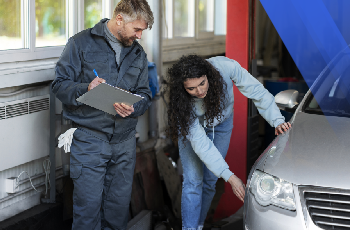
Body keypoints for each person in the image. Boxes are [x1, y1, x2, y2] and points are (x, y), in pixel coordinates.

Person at [51, 1, 154, 229]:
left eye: (142, 31)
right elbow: (59, 85)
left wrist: (134, 107)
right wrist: (85, 88)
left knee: (117, 214)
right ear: (119, 19)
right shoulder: (80, 43)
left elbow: (145, 93)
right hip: (90, 139)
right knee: (87, 214)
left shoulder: (138, 54)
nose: (139, 36)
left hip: (125, 142)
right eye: (136, 29)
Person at [166, 55, 291, 230]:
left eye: (202, 83)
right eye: (191, 88)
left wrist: (277, 120)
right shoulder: (183, 109)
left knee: (210, 180)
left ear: (208, 74)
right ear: (183, 89)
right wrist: (230, 177)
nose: (200, 91)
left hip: (222, 123)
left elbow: (257, 91)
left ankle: (199, 225)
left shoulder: (226, 67)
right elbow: (202, 146)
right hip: (193, 130)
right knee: (193, 181)